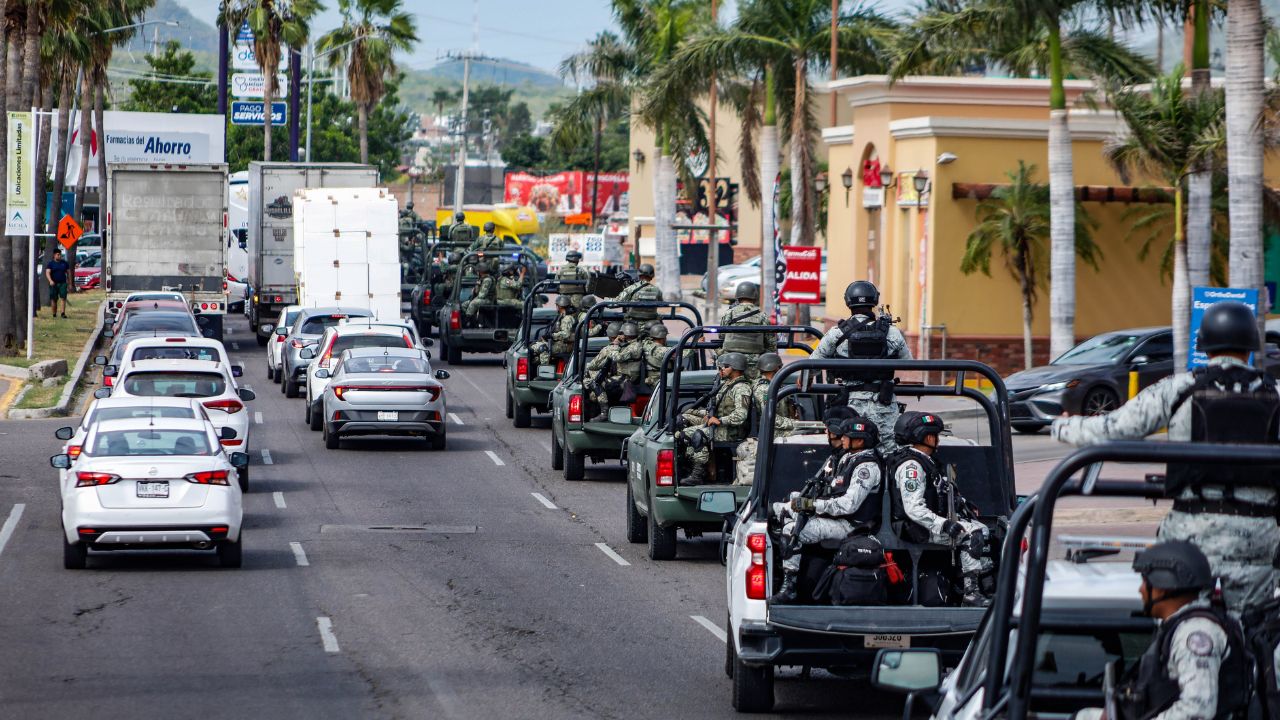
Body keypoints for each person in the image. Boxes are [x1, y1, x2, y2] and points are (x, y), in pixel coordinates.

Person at [1052, 301, 1280, 615]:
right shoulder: (1275, 393)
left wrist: (1063, 425)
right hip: (1259, 539)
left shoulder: (1179, 389)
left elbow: (1112, 429)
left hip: (1191, 538)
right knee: (1256, 635)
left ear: (1205, 345)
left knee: (1183, 625)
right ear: (1251, 346)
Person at [1075, 541, 1250, 720]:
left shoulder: (1194, 633)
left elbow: (1198, 710)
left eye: (1145, 582)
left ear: (1163, 587)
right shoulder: (1178, 627)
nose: (1140, 590)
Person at [769, 416, 884, 604]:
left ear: (860, 440)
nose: (842, 439)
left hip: (852, 527)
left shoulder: (866, 467)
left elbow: (849, 505)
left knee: (792, 530)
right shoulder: (848, 458)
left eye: (847, 436)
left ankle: (790, 588)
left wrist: (813, 505)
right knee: (785, 510)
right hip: (838, 518)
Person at [890, 411, 992, 606]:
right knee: (971, 535)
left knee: (983, 530)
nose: (937, 440)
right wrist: (944, 524)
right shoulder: (912, 466)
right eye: (936, 435)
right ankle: (971, 594)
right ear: (928, 437)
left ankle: (980, 586)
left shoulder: (926, 462)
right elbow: (913, 508)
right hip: (913, 528)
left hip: (923, 525)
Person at [813, 280, 911, 454]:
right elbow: (909, 363)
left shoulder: (837, 333)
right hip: (884, 405)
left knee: (850, 452)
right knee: (888, 454)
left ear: (848, 302)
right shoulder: (892, 332)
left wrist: (802, 379)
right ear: (874, 301)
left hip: (850, 406)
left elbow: (812, 364)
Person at [678, 352, 754, 486]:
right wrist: (701, 413)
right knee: (683, 424)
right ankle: (696, 464)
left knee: (697, 435)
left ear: (735, 368)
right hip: (719, 425)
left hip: (732, 430)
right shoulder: (726, 384)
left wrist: (720, 420)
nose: (721, 370)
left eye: (725, 367)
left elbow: (741, 415)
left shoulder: (741, 388)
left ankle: (698, 474)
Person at [719, 282, 776, 377]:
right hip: (756, 363)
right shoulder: (762, 315)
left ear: (738, 297)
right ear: (754, 296)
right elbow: (771, 344)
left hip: (731, 361)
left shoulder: (729, 313)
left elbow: (722, 336)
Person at [585, 322, 625, 416]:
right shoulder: (632, 347)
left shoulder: (608, 349)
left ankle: (603, 411)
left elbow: (592, 365)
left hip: (615, 384)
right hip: (631, 382)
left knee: (588, 380)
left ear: (610, 336)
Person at [753, 352, 799, 434]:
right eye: (780, 367)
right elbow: (770, 418)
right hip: (772, 432)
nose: (781, 369)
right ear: (775, 368)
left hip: (779, 428)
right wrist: (796, 423)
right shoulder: (765, 389)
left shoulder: (774, 385)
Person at [611, 263, 663, 327]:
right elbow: (661, 303)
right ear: (652, 276)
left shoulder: (631, 288)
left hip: (633, 326)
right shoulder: (657, 290)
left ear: (639, 274)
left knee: (613, 327)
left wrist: (605, 302)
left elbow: (615, 302)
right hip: (651, 326)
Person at [532, 295, 578, 366]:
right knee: (534, 348)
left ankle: (545, 372)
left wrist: (552, 336)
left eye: (556, 305)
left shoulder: (567, 318)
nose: (556, 307)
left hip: (565, 345)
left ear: (559, 306)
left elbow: (566, 334)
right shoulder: (561, 316)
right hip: (559, 343)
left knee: (543, 348)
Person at [46, 249, 70, 318]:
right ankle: (54, 314)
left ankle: (63, 313)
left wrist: (69, 282)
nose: (59, 256)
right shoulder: (50, 264)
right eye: (58, 255)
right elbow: (47, 273)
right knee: (54, 299)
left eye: (60, 255)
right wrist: (50, 281)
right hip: (54, 284)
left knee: (63, 298)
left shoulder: (64, 263)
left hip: (62, 283)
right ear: (54, 255)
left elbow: (68, 272)